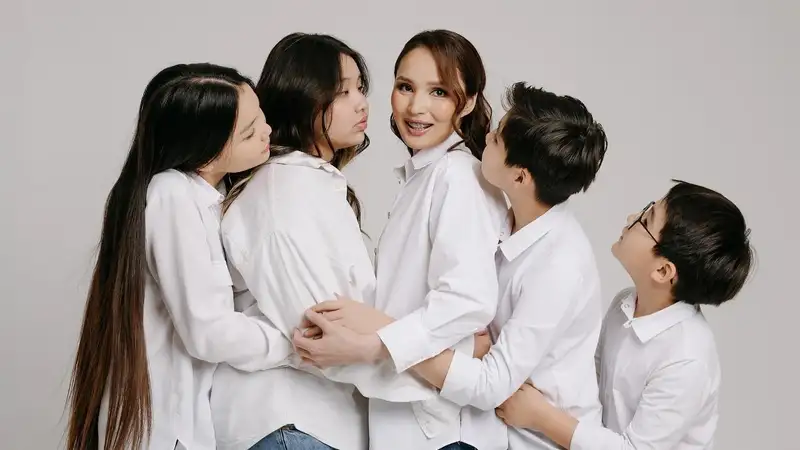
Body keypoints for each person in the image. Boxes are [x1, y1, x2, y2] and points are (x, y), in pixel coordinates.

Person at [212, 33, 441, 450]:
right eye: (342, 92)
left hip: (313, 424)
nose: (361, 103)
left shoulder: (310, 185)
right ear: (302, 98)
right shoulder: (284, 190)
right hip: (291, 422)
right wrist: (444, 372)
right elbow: (321, 332)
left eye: (360, 88)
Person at [293, 29, 509, 450]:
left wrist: (371, 344)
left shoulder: (457, 176)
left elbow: (468, 299)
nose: (416, 107)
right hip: (410, 424)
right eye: (406, 87)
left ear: (467, 102)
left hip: (442, 429)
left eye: (438, 92)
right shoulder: (425, 176)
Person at [66, 63, 281, 450]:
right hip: (165, 433)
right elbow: (208, 333)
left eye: (261, 116)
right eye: (249, 132)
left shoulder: (209, 199)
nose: (267, 131)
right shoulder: (173, 195)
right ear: (204, 152)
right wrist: (293, 345)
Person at [405, 82, 609, 449]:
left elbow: (490, 384)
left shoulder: (560, 265)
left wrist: (391, 346)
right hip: (485, 431)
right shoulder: (502, 213)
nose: (487, 136)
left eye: (497, 137)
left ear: (520, 177)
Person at [495, 181, 754, 450]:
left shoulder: (687, 358)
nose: (631, 218)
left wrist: (541, 417)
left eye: (646, 220)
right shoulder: (626, 304)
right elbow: (585, 379)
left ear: (663, 271)